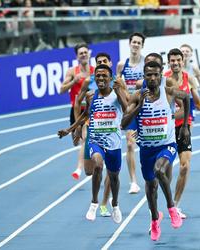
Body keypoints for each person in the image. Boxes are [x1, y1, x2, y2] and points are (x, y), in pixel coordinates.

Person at [121, 61, 190, 241]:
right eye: (149, 74)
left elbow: (186, 97)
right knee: (151, 187)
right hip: (146, 150)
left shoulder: (168, 92)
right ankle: (154, 219)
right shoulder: (137, 95)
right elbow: (123, 123)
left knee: (160, 170)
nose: (152, 78)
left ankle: (171, 208)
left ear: (161, 76)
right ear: (144, 76)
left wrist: (184, 127)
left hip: (166, 145)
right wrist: (139, 105)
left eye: (156, 74)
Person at [58, 64, 128, 223]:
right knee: (97, 164)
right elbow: (85, 115)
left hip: (114, 143)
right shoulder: (91, 96)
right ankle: (94, 203)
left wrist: (119, 92)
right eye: (98, 76)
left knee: (114, 177)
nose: (101, 78)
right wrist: (70, 130)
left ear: (110, 78)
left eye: (104, 76)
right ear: (95, 79)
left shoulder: (117, 94)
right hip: (96, 140)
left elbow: (127, 110)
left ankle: (115, 204)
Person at [74, 52, 120, 217]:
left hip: (112, 135)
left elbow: (126, 105)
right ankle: (98, 201)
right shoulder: (89, 82)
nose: (102, 63)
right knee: (90, 170)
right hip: (92, 130)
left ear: (110, 63)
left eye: (105, 61)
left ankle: (103, 203)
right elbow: (79, 103)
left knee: (109, 170)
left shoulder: (117, 83)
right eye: (99, 62)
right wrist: (77, 127)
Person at [166, 48, 200, 219]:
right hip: (168, 127)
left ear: (183, 61)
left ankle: (175, 206)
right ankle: (164, 202)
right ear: (169, 62)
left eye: (178, 60)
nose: (176, 63)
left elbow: (196, 102)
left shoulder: (189, 78)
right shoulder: (165, 79)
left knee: (185, 166)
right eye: (173, 60)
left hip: (184, 127)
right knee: (165, 169)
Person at [116, 32, 146, 194]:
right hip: (130, 109)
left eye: (138, 42)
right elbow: (117, 85)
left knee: (146, 143)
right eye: (133, 42)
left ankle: (150, 174)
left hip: (145, 108)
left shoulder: (146, 63)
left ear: (142, 46)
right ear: (129, 44)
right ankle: (133, 181)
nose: (135, 45)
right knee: (129, 143)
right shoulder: (122, 65)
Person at [60, 43, 95, 180]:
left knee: (84, 138)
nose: (84, 55)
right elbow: (62, 89)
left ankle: (80, 168)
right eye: (81, 53)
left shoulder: (94, 70)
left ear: (89, 54)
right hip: (76, 109)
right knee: (76, 140)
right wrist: (74, 81)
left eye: (85, 52)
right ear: (77, 57)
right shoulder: (72, 71)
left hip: (89, 110)